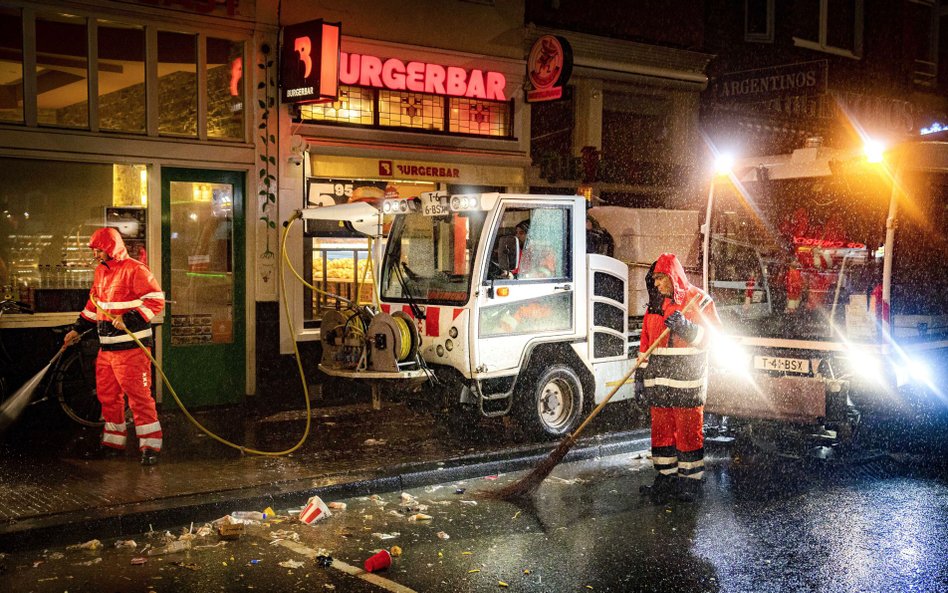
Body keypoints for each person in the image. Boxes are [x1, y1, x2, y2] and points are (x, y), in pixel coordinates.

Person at [64, 228, 165, 465]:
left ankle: (150, 447)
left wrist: (129, 319)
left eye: (99, 249)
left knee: (139, 398)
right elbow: (93, 305)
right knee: (108, 397)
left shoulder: (136, 269)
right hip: (107, 350)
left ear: (111, 248)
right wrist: (77, 329)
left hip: (132, 350)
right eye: (95, 250)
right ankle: (113, 443)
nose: (97, 254)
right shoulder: (101, 272)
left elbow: (156, 300)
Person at [635, 253, 720, 503]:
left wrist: (687, 328)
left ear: (674, 277)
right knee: (661, 433)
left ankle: (690, 481)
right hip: (659, 384)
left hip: (687, 383)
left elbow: (713, 339)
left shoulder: (699, 302)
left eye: (662, 279)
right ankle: (666, 478)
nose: (658, 285)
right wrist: (640, 376)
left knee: (687, 432)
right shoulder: (655, 305)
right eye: (656, 280)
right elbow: (646, 343)